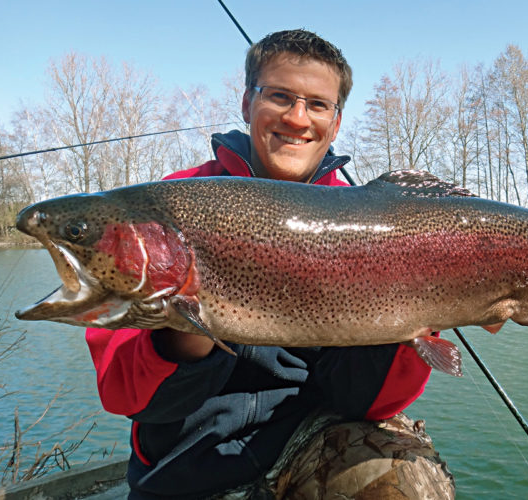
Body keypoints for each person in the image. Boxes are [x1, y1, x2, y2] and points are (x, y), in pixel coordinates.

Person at [85, 29, 439, 499]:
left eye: (317, 104)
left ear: (336, 123)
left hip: (307, 445)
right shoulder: (168, 205)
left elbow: (370, 402)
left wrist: (423, 313)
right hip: (181, 465)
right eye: (280, 96)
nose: (297, 117)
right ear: (247, 102)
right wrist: (185, 330)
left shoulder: (374, 222)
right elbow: (123, 393)